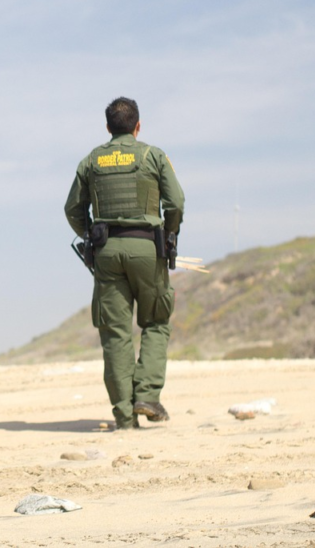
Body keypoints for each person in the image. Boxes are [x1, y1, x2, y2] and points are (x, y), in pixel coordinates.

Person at [64, 97, 185, 430]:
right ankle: (147, 394)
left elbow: (72, 209)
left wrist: (91, 235)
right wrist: (170, 236)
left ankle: (124, 418)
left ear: (107, 127)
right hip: (148, 247)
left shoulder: (92, 161)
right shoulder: (152, 155)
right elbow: (176, 202)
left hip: (106, 250)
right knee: (157, 321)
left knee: (115, 334)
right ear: (138, 125)